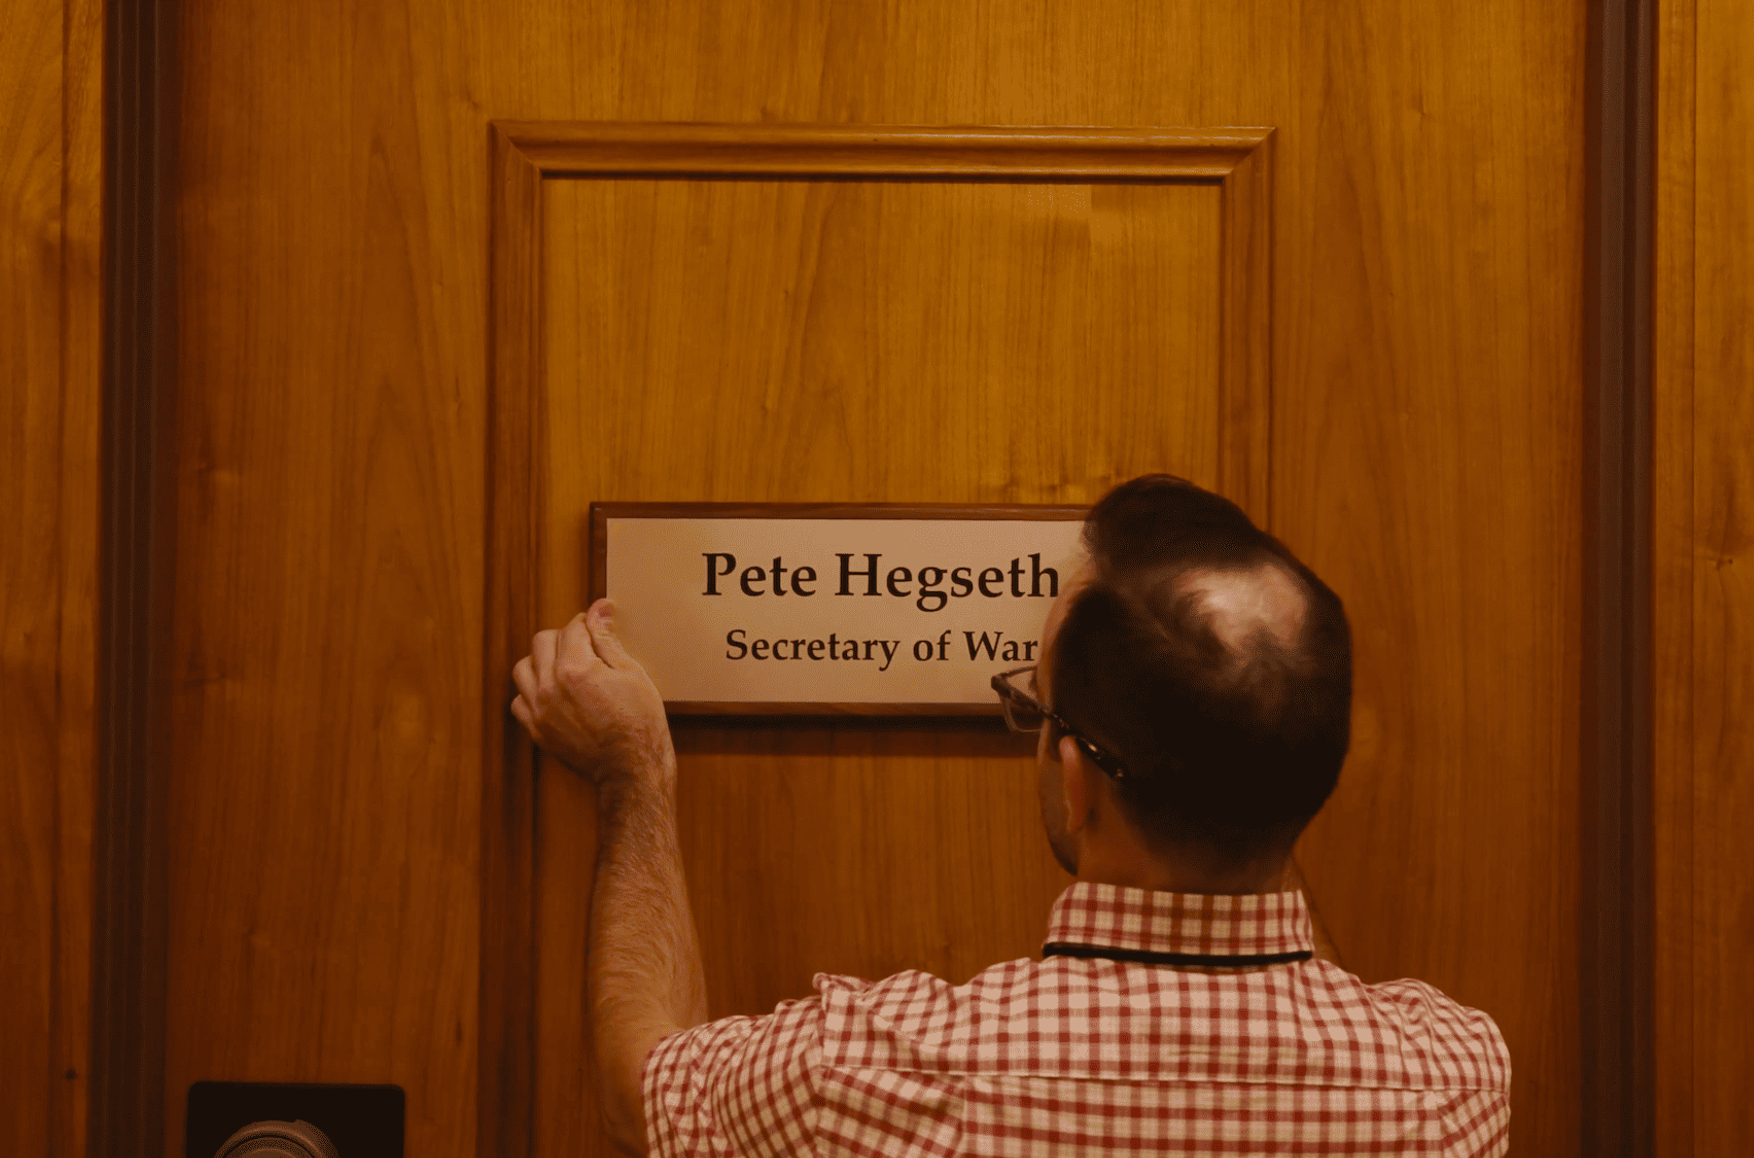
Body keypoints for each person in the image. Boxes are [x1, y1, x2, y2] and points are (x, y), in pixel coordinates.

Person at [511, 474, 1510, 1157]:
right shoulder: (1450, 1077)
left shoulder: (874, 1067)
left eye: (1037, 707)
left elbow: (642, 1086)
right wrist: (1240, 742)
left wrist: (633, 775)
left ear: (1077, 781)